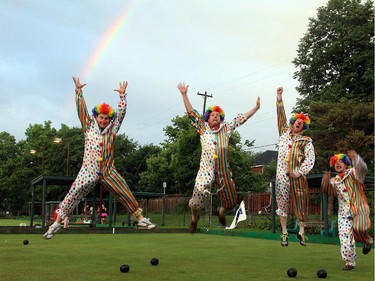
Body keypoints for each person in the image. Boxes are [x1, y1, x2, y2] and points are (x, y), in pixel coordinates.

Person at [43, 77, 155, 239]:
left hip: (108, 171)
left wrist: (122, 97)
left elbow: (121, 114)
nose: (103, 120)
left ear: (110, 119)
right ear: (96, 117)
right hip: (88, 171)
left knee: (124, 190)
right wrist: (79, 92)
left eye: (106, 118)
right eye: (101, 117)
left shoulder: (113, 129)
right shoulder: (88, 126)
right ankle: (56, 223)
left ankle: (140, 219)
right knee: (73, 194)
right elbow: (81, 110)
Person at [177, 82, 260, 233]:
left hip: (223, 170)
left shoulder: (226, 128)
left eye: (218, 115)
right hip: (206, 170)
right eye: (212, 115)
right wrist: (184, 94)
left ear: (220, 118)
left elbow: (241, 119)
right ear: (208, 118)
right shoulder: (203, 128)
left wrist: (255, 108)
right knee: (196, 202)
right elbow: (190, 112)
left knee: (232, 201)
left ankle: (221, 212)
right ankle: (194, 219)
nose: (215, 117)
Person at [275, 87, 315, 247]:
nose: (298, 124)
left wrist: (301, 171)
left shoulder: (306, 140)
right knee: (282, 203)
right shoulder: (283, 132)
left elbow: (310, 158)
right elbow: (280, 116)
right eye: (297, 122)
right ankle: (284, 233)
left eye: (301, 124)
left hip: (297, 175)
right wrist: (279, 98)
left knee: (301, 202)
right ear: (292, 124)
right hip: (281, 176)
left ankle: (301, 232)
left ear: (303, 127)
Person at [322, 151, 373, 271]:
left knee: (359, 228)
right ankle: (349, 262)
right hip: (344, 213)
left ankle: (367, 241)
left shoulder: (354, 173)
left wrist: (356, 158)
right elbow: (330, 192)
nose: (337, 164)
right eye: (335, 162)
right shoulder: (334, 181)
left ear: (346, 164)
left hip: (359, 208)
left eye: (340, 162)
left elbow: (363, 168)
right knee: (345, 239)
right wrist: (325, 183)